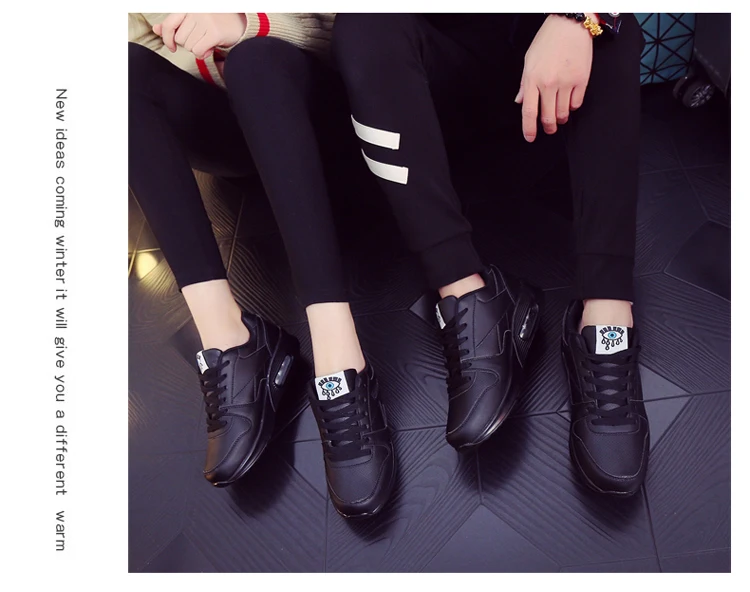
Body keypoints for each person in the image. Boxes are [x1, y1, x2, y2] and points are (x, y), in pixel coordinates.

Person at [332, 13, 649, 496]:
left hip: (543, 91)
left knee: (608, 29)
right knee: (363, 20)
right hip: (429, 94)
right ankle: (469, 299)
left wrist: (575, 16)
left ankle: (607, 322)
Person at [128, 12, 395, 517]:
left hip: (311, 99)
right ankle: (230, 341)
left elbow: (350, 25)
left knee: (254, 61)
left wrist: (246, 23)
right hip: (228, 129)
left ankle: (338, 361)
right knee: (117, 71)